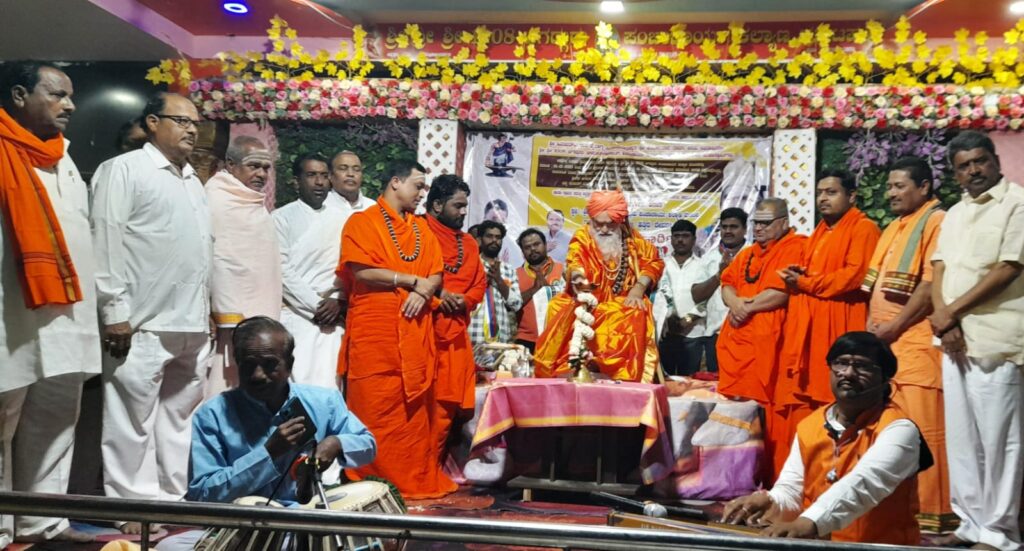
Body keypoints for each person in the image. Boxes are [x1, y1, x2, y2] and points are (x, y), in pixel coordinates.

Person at [92, 92, 212, 533]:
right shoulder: (123, 169)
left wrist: (207, 311)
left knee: (178, 418)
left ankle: (171, 501)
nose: (191, 129)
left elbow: (200, 252)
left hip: (191, 321)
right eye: (181, 121)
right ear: (152, 123)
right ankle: (133, 510)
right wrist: (114, 310)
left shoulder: (192, 180)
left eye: (195, 122)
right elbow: (105, 239)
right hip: (140, 321)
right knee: (131, 420)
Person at [0, 61, 99, 546]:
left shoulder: (64, 158)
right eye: (57, 94)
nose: (70, 105)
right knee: (3, 416)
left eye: (71, 95)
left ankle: (43, 520)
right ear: (20, 96)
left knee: (58, 414)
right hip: (10, 312)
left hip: (67, 311)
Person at [721, 332, 931, 546]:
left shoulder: (899, 430)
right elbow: (792, 491)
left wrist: (808, 523)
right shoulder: (810, 426)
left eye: (862, 366)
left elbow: (865, 483)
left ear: (885, 378)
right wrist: (770, 500)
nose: (848, 373)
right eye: (841, 363)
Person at [336, 160, 456, 499]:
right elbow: (361, 271)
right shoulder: (362, 222)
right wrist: (411, 281)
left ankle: (411, 479)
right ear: (395, 182)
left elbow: (436, 273)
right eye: (418, 186)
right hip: (376, 336)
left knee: (413, 414)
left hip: (415, 331)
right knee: (373, 407)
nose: (422, 193)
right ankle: (367, 479)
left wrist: (424, 290)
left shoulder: (421, 229)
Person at [930, 131, 1024, 551]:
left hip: (997, 337)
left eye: (980, 161)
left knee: (1000, 439)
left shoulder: (1017, 204)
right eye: (964, 166)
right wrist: (944, 319)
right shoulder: (955, 212)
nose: (974, 170)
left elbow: (1008, 268)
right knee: (963, 437)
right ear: (955, 174)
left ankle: (1000, 533)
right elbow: (939, 269)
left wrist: (951, 312)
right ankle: (970, 523)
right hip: (954, 339)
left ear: (996, 162)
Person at [187, 316, 376, 504]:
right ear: (237, 362)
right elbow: (203, 493)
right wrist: (268, 453)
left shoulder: (324, 402)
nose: (258, 375)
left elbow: (368, 445)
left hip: (308, 516)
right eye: (248, 364)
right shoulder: (212, 415)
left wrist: (336, 443)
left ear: (289, 364)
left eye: (270, 364)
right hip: (244, 518)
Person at [862, 156, 952, 527]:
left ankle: (934, 514)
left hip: (916, 343)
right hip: (890, 345)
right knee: (896, 430)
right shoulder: (897, 225)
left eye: (900, 186)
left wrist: (895, 325)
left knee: (925, 430)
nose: (891, 193)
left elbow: (931, 285)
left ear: (925, 187)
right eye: (889, 186)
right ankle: (904, 510)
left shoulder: (935, 221)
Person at [772, 169, 880, 476]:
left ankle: (836, 472)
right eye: (820, 192)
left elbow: (854, 276)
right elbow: (822, 273)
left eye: (831, 192)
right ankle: (805, 476)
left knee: (838, 400)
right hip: (812, 328)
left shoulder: (864, 228)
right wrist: (802, 274)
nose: (823, 198)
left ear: (852, 196)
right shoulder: (822, 230)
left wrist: (806, 283)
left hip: (839, 325)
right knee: (809, 405)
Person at [534, 189, 665, 382]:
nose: (604, 229)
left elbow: (654, 263)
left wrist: (638, 289)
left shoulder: (632, 239)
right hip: (587, 296)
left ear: (620, 221)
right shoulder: (583, 236)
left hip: (621, 300)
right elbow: (575, 261)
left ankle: (621, 375)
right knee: (558, 307)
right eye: (598, 223)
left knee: (634, 311)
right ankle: (570, 368)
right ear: (591, 219)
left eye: (610, 224)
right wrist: (579, 279)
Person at [715, 198, 805, 475]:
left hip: (772, 347)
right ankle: (734, 473)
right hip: (738, 344)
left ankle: (766, 473)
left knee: (766, 413)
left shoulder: (796, 247)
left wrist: (745, 307)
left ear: (784, 223)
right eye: (756, 223)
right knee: (737, 412)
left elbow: (781, 292)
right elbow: (727, 283)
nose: (759, 228)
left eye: (766, 223)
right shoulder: (748, 254)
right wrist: (736, 304)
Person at [205, 136, 282, 396]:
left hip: (259, 310)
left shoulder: (253, 202)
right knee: (224, 378)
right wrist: (212, 309)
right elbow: (215, 259)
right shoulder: (214, 199)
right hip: (226, 316)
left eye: (266, 168)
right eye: (254, 166)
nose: (261, 174)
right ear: (230, 164)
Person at [423, 174, 486, 467]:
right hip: (423, 332)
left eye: (465, 206)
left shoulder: (469, 243)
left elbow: (479, 283)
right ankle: (416, 470)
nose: (463, 212)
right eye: (457, 206)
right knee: (421, 406)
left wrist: (465, 300)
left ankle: (432, 468)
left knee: (447, 409)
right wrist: (438, 298)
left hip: (455, 336)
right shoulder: (417, 231)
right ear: (437, 205)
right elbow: (407, 278)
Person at [274, 154, 350, 389]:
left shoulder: (345, 218)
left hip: (334, 315)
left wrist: (338, 299)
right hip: (297, 313)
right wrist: (316, 305)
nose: (319, 182)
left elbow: (350, 266)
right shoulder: (280, 218)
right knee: (299, 386)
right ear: (296, 181)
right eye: (311, 175)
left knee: (331, 386)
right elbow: (281, 270)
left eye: (324, 176)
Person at [690, 207, 749, 372]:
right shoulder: (709, 259)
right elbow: (696, 295)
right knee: (717, 385)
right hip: (715, 336)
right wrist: (719, 275)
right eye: (724, 227)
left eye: (734, 227)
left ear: (745, 229)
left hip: (747, 334)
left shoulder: (754, 255)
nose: (728, 231)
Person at [653, 220, 712, 377]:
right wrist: (668, 318)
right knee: (665, 380)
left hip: (693, 334)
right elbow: (656, 296)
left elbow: (707, 298)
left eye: (685, 236)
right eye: (676, 236)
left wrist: (688, 319)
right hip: (665, 333)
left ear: (694, 239)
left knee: (690, 381)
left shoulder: (703, 265)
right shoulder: (661, 265)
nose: (680, 240)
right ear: (671, 239)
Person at [468, 220, 523, 346]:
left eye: (498, 237)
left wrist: (499, 281)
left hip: (500, 340)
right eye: (489, 236)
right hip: (472, 334)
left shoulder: (508, 269)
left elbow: (517, 304)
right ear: (479, 240)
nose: (494, 240)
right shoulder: (469, 265)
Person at [514, 228, 565, 354]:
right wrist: (535, 289)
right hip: (526, 341)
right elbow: (512, 305)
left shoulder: (563, 270)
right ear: (522, 251)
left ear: (546, 245)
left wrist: (549, 291)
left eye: (536, 244)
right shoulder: (515, 275)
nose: (533, 249)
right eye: (527, 247)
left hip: (559, 338)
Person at [326, 149, 375, 214]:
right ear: (330, 175)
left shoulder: (373, 207)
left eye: (356, 169)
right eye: (343, 169)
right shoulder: (320, 205)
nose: (350, 174)